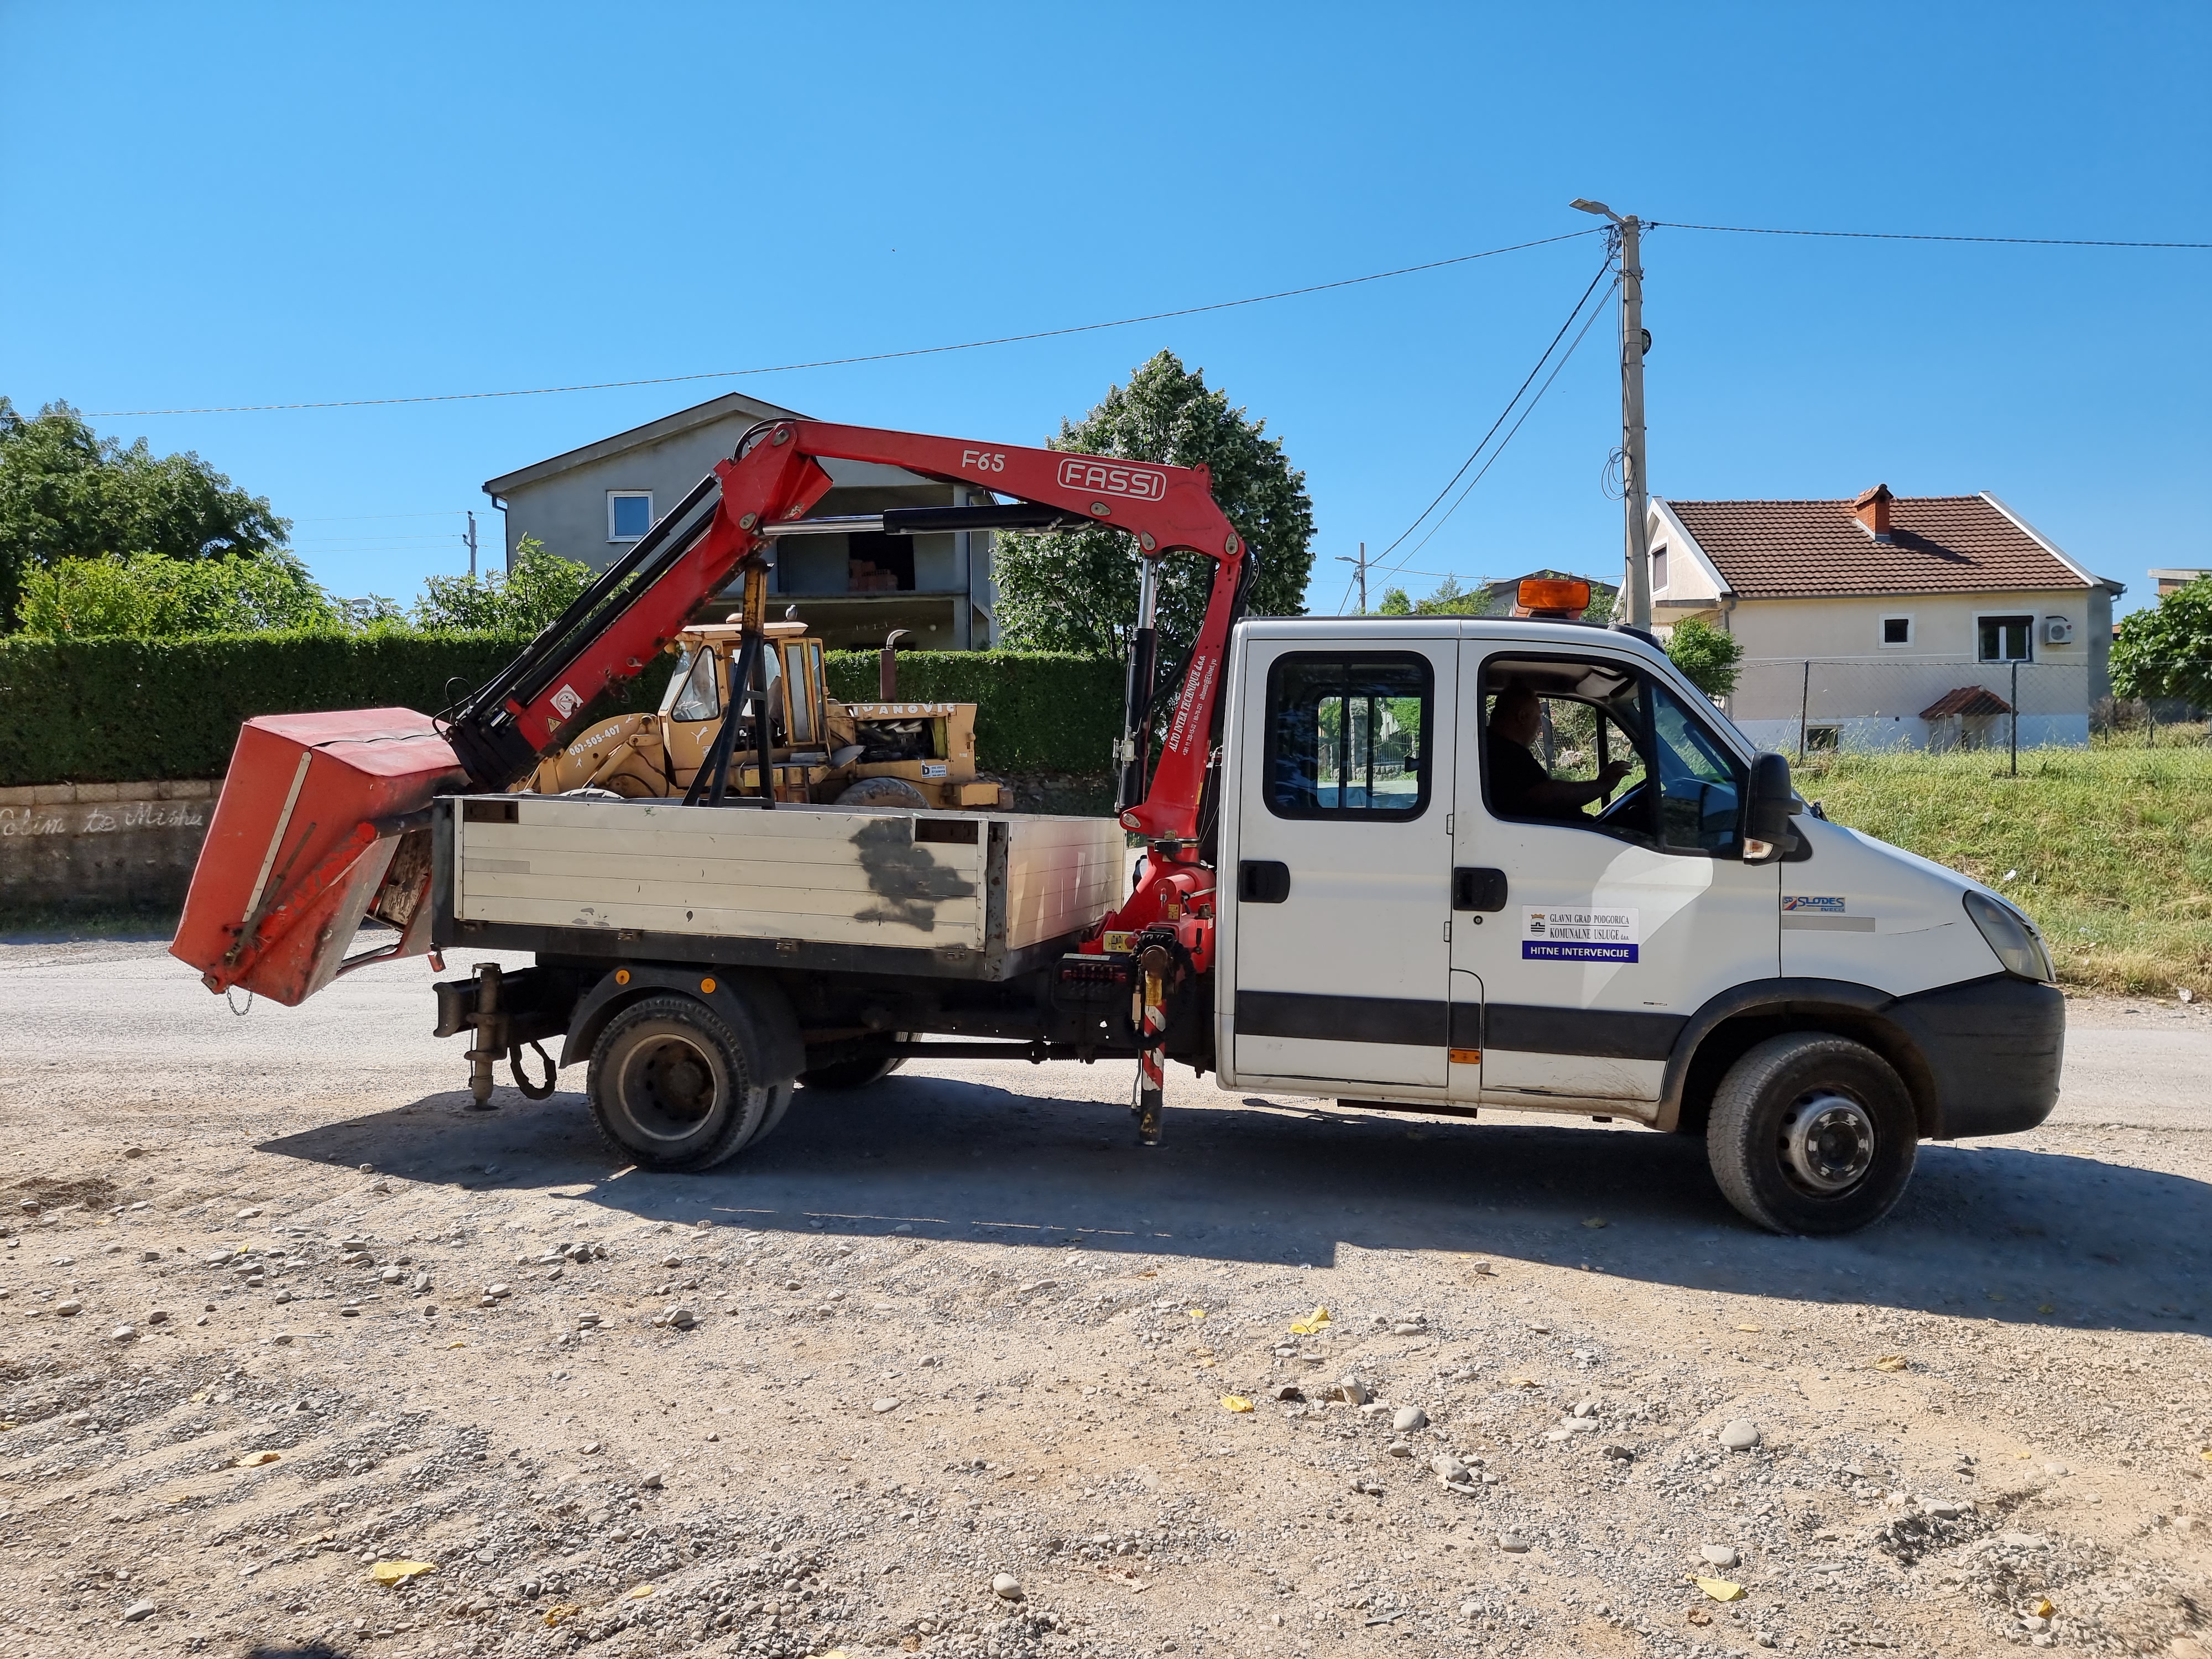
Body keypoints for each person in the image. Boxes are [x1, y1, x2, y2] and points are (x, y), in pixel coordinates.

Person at [1486, 683, 1636, 821]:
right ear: (1522, 717)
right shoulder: (1504, 754)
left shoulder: (1495, 747)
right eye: (1538, 716)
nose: (1540, 724)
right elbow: (1548, 796)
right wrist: (1602, 785)